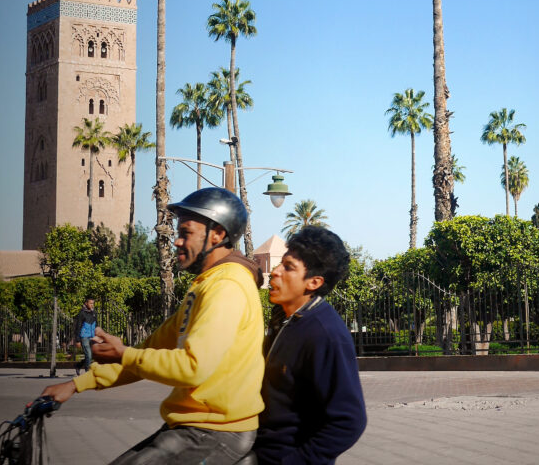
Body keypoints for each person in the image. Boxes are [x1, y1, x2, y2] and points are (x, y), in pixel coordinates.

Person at [42, 187, 265, 465]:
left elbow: (192, 368)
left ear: (217, 234)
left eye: (186, 233)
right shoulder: (206, 285)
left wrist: (124, 353)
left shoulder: (227, 286)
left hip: (214, 431)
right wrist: (77, 384)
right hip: (194, 427)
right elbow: (149, 350)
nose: (177, 242)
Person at [255, 226, 366, 465]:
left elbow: (349, 421)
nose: (275, 272)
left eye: (288, 267)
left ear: (314, 282)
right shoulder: (282, 318)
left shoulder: (325, 333)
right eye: (280, 264)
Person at [73, 297, 96, 376]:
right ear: (86, 303)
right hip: (84, 337)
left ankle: (78, 365)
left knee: (91, 355)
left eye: (93, 303)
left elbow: (97, 325)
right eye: (90, 303)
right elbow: (78, 327)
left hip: (92, 336)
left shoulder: (94, 313)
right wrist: (77, 340)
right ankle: (87, 372)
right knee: (88, 354)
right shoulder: (82, 313)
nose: (92, 305)